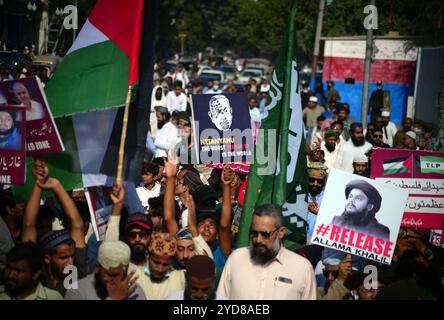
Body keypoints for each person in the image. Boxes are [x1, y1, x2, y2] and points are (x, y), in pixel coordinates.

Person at [217, 204, 316, 300]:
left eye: (265, 234)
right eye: (254, 233)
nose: (258, 240)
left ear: (281, 232)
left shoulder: (303, 268)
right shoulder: (236, 259)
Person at [22, 159, 87, 296]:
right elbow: (29, 225)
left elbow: (77, 225)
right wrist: (38, 185)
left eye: (72, 256)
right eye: (63, 257)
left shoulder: (74, 275)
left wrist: (57, 186)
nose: (70, 262)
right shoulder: (36, 274)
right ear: (47, 258)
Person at [64, 241, 146, 300]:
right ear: (97, 268)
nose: (118, 281)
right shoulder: (77, 292)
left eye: (123, 275)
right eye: (112, 275)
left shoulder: (135, 291)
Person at [306, 162, 328, 242]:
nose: (315, 184)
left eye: (319, 181)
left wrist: (320, 213)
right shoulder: (298, 195)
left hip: (320, 243)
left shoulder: (328, 197)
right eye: (312, 180)